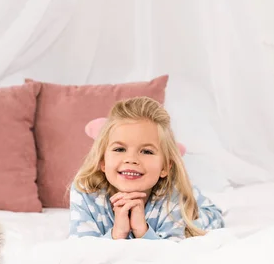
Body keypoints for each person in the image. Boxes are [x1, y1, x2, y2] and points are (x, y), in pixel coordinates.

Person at [69, 96, 224, 241]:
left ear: (165, 167)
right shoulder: (85, 189)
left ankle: (168, 151)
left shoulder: (172, 194)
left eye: (146, 151)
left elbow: (172, 256)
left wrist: (142, 231)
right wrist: (117, 234)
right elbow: (82, 251)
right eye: (119, 149)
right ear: (102, 161)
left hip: (194, 204)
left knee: (192, 225)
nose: (131, 159)